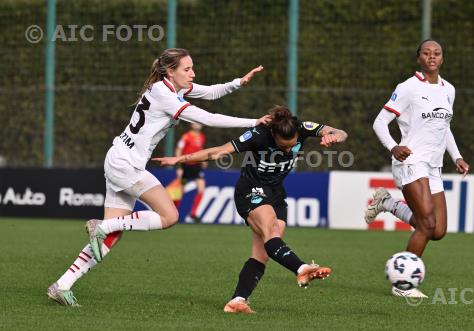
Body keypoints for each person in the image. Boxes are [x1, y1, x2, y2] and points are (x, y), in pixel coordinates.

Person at [47, 48, 270, 306]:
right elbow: (206, 118)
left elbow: (210, 92)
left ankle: (62, 285)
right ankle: (101, 226)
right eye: (187, 69)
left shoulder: (172, 88)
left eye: (192, 68)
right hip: (127, 164)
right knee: (169, 216)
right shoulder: (164, 94)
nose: (192, 73)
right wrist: (254, 122)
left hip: (120, 159)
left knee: (112, 234)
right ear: (170, 71)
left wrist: (238, 83)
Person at [154, 105, 348, 313]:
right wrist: (179, 160)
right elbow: (218, 152)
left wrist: (333, 136)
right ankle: (302, 268)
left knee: (264, 252)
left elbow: (341, 133)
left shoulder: (301, 127)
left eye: (292, 146)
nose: (289, 151)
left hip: (276, 194)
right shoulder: (258, 135)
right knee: (269, 230)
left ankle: (237, 301)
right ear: (273, 134)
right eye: (283, 147)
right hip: (251, 190)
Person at [366, 39, 470, 298]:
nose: (432, 57)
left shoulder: (449, 90)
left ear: (442, 59)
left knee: (438, 230)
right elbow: (380, 122)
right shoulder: (408, 87)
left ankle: (388, 203)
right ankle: (403, 285)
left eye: (436, 53)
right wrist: (393, 147)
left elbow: (443, 127)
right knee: (426, 224)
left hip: (434, 166)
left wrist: (456, 156)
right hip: (410, 161)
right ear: (419, 59)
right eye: (426, 53)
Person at [172, 123, 207, 223]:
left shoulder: (201, 136)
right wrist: (179, 166)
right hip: (186, 166)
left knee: (201, 189)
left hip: (196, 166)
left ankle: (193, 214)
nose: (199, 124)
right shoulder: (186, 136)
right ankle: (173, 213)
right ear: (192, 125)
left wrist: (203, 160)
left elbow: (200, 150)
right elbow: (178, 150)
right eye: (196, 122)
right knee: (180, 191)